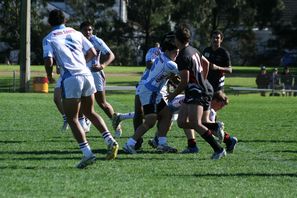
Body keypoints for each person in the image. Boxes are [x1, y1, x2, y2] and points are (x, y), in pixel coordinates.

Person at [43, 9, 118, 169]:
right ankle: (110, 141)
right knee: (90, 112)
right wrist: (81, 64)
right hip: (87, 74)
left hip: (71, 78)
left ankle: (87, 154)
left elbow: (49, 60)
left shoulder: (49, 38)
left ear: (49, 23)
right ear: (65, 21)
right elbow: (91, 52)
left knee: (73, 118)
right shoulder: (77, 33)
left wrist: (49, 76)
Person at [167, 24, 226, 160]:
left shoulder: (182, 56)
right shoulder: (193, 50)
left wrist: (173, 94)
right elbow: (205, 63)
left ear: (177, 40)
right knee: (181, 122)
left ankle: (218, 149)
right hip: (194, 91)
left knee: (195, 123)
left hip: (196, 92)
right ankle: (214, 126)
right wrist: (202, 79)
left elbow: (184, 81)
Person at [123, 33, 180, 154]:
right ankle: (129, 144)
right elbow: (182, 77)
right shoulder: (171, 64)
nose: (177, 54)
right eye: (176, 52)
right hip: (150, 92)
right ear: (169, 51)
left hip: (153, 91)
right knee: (150, 121)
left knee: (167, 114)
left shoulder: (161, 56)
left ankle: (162, 144)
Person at [80, 21, 122, 137]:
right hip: (82, 74)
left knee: (102, 103)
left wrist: (102, 66)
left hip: (95, 74)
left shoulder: (96, 41)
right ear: (81, 30)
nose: (88, 32)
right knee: (80, 100)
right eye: (85, 30)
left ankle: (116, 123)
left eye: (90, 30)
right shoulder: (77, 39)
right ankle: (86, 121)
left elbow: (111, 55)